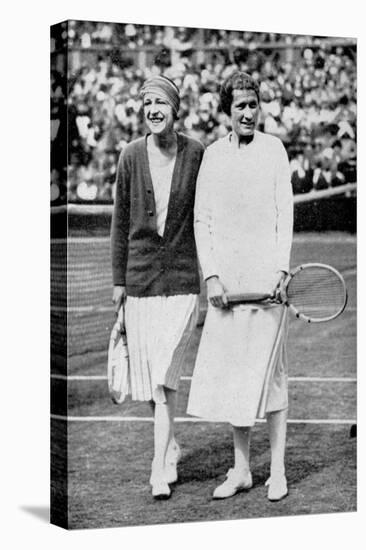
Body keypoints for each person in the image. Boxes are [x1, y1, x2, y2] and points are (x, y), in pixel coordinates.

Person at [187, 71, 293, 502]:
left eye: (253, 105)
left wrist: (282, 270)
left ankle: (279, 472)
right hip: (228, 287)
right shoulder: (212, 156)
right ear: (227, 113)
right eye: (240, 107)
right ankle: (243, 469)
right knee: (236, 379)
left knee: (272, 378)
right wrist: (211, 274)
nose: (247, 113)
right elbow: (202, 219)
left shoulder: (275, 150)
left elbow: (284, 213)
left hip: (268, 283)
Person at [111, 75, 204, 499]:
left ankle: (157, 470)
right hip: (141, 281)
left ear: (174, 108)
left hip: (184, 282)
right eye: (147, 102)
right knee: (155, 384)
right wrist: (117, 281)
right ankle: (169, 447)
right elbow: (118, 225)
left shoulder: (196, 153)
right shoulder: (130, 156)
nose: (154, 109)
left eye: (161, 102)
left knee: (164, 377)